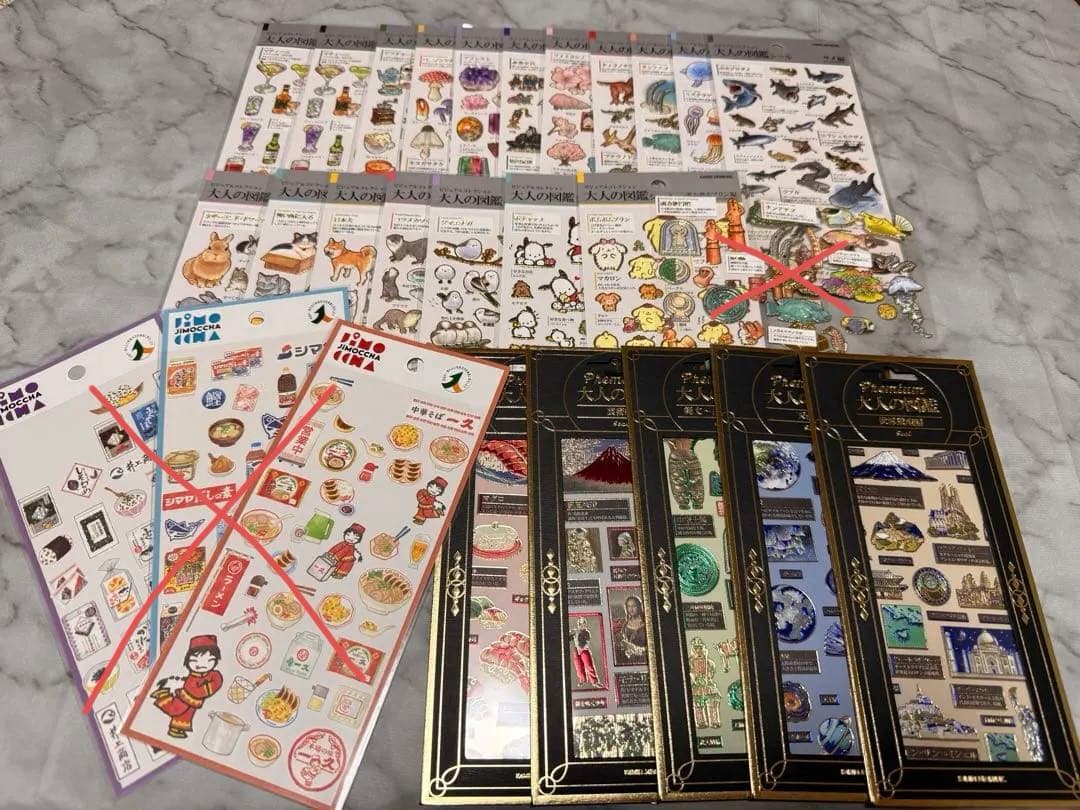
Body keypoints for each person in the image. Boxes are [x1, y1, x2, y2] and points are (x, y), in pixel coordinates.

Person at [150, 634, 223, 738]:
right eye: (195, 660)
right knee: (176, 710)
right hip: (184, 698)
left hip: (193, 701)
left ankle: (177, 729)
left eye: (209, 660)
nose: (201, 664)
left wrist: (202, 689)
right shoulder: (192, 677)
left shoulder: (214, 675)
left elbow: (214, 684)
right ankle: (163, 696)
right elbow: (194, 690)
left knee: (186, 715)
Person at [570, 616, 601, 687]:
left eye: (582, 624)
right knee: (578, 666)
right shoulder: (575, 631)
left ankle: (595, 681)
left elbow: (587, 642)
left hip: (584, 649)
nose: (580, 625)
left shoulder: (586, 632)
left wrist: (582, 647)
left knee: (589, 666)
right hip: (576, 650)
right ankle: (582, 679)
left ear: (584, 624)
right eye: (579, 624)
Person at [619, 595, 647, 662]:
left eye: (634, 606)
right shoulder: (625, 625)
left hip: (644, 657)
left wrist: (638, 650)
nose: (631, 609)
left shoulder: (646, 623)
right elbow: (623, 641)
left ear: (639, 607)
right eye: (628, 606)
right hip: (630, 659)